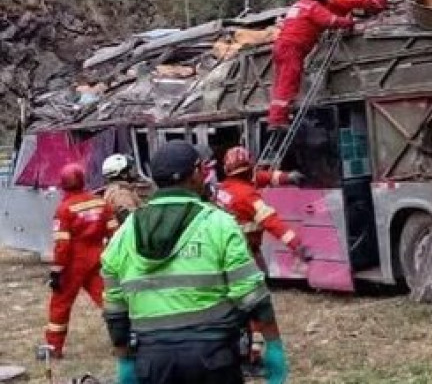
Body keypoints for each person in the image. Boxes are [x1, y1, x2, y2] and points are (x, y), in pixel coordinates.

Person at [101, 141, 289, 384]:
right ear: (197, 171)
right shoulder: (219, 223)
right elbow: (252, 295)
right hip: (215, 358)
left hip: (152, 361)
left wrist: (125, 360)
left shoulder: (124, 234)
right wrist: (273, 346)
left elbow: (115, 308)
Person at [45, 163, 118, 358]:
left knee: (60, 305)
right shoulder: (101, 203)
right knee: (110, 301)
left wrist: (57, 270)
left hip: (73, 264)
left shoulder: (64, 209)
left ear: (62, 184)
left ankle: (53, 348)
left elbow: (63, 245)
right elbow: (115, 233)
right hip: (98, 259)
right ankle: (124, 338)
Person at [268, 0, 356, 130]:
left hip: (281, 46)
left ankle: (276, 117)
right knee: (288, 82)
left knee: (280, 84)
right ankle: (278, 120)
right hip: (293, 48)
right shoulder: (313, 7)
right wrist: (348, 22)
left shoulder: (298, 6)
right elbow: (330, 20)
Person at [215, 146, 312, 268]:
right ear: (250, 169)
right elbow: (272, 222)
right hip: (244, 253)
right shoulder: (248, 197)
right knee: (259, 277)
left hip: (225, 248)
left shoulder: (224, 188)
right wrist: (297, 246)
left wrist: (286, 177)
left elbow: (261, 177)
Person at [102, 153, 144, 224]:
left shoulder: (114, 190)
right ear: (123, 174)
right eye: (130, 168)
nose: (134, 170)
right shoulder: (121, 194)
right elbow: (134, 221)